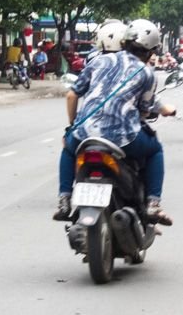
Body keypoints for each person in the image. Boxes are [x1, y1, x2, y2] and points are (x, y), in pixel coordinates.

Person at [53, 18, 174, 225]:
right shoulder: (147, 74)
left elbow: (72, 96)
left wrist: (73, 127)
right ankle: (153, 204)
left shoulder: (98, 61)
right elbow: (144, 113)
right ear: (151, 51)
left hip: (85, 135)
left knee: (68, 147)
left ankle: (64, 199)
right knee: (155, 150)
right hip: (124, 139)